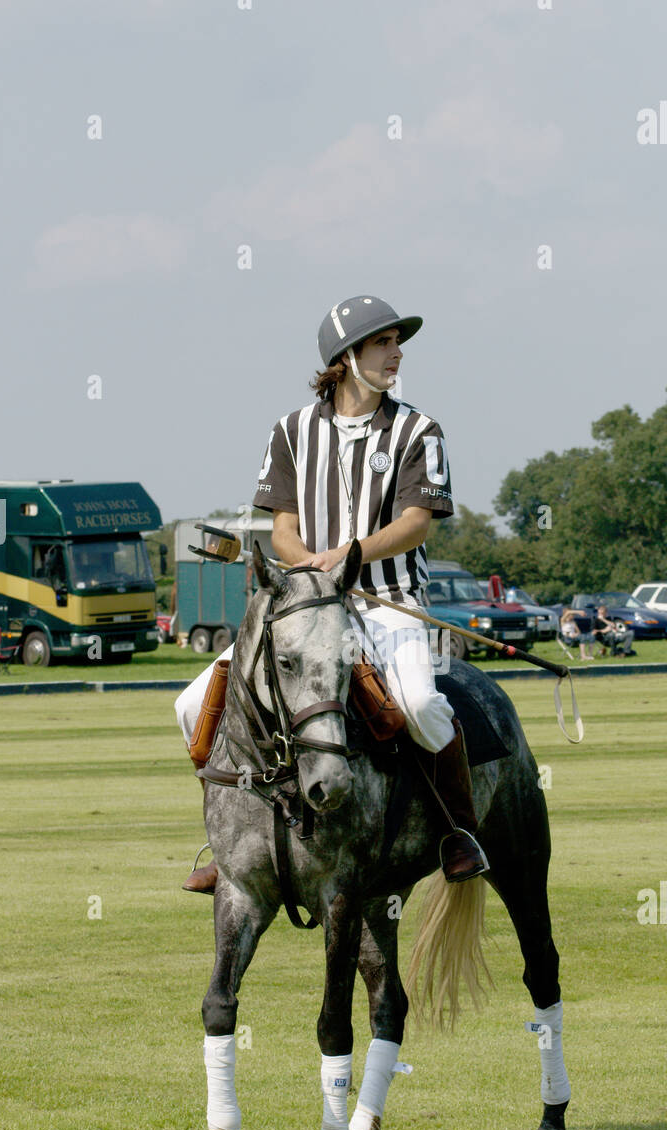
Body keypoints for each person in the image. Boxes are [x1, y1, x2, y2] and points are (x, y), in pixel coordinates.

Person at [175, 295, 488, 891]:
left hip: (386, 602)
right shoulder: (291, 431)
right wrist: (313, 571)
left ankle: (458, 830)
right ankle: (228, 843)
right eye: (383, 344)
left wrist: (350, 556)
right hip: (307, 610)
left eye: (398, 343)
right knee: (191, 707)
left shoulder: (419, 430)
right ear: (346, 357)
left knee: (420, 705)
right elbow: (284, 530)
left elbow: (417, 523)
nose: (397, 354)